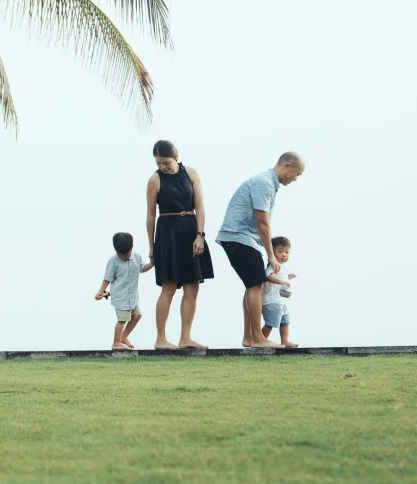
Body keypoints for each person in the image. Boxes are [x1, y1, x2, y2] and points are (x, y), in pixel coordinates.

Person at [215, 152, 305, 348]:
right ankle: (257, 338)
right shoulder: (264, 183)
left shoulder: (268, 184)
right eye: (297, 174)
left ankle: (249, 337)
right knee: (256, 285)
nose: (296, 179)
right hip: (240, 237)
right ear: (287, 166)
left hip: (242, 239)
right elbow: (262, 222)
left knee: (252, 285)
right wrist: (271, 255)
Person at [144, 139, 213, 350]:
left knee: (192, 287)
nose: (163, 167)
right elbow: (150, 215)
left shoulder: (191, 173)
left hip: (191, 230)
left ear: (176, 156)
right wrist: (151, 246)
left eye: (166, 162)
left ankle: (186, 338)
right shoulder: (154, 180)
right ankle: (161, 339)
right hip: (167, 232)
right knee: (169, 287)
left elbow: (200, 206)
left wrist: (200, 235)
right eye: (158, 163)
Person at [94, 231, 146, 350]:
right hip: (120, 296)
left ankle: (124, 337)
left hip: (132, 296)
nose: (122, 256)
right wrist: (101, 291)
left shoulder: (137, 257)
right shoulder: (113, 261)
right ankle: (116, 343)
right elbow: (108, 278)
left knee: (137, 315)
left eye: (125, 254)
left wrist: (153, 263)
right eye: (120, 254)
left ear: (132, 247)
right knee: (122, 319)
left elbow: (142, 268)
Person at [259, 236, 298, 347]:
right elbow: (269, 277)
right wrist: (282, 281)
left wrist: (287, 278)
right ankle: (261, 339)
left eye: (287, 252)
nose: (284, 254)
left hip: (280, 301)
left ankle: (285, 341)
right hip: (271, 301)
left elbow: (279, 278)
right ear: (272, 252)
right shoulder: (272, 266)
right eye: (280, 251)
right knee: (271, 323)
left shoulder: (282, 268)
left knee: (285, 322)